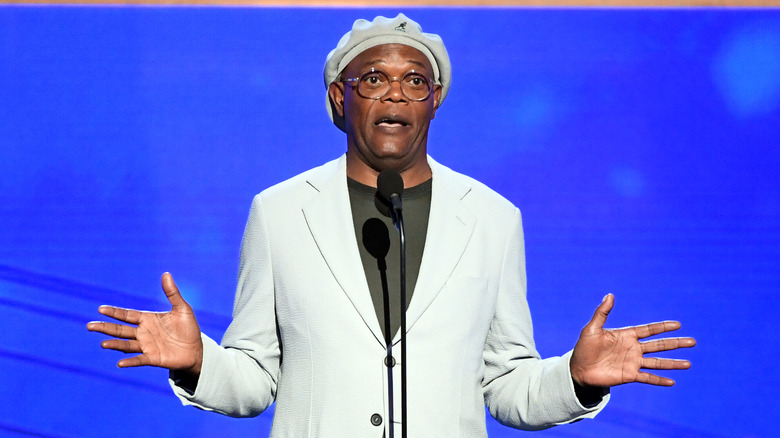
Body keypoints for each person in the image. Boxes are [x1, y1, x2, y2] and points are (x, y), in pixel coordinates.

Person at [87, 14, 695, 437]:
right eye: (374, 79)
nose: (396, 95)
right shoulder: (277, 211)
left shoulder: (492, 218)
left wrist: (575, 378)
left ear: (435, 101)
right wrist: (198, 362)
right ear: (338, 99)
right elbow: (253, 380)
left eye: (414, 82)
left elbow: (506, 388)